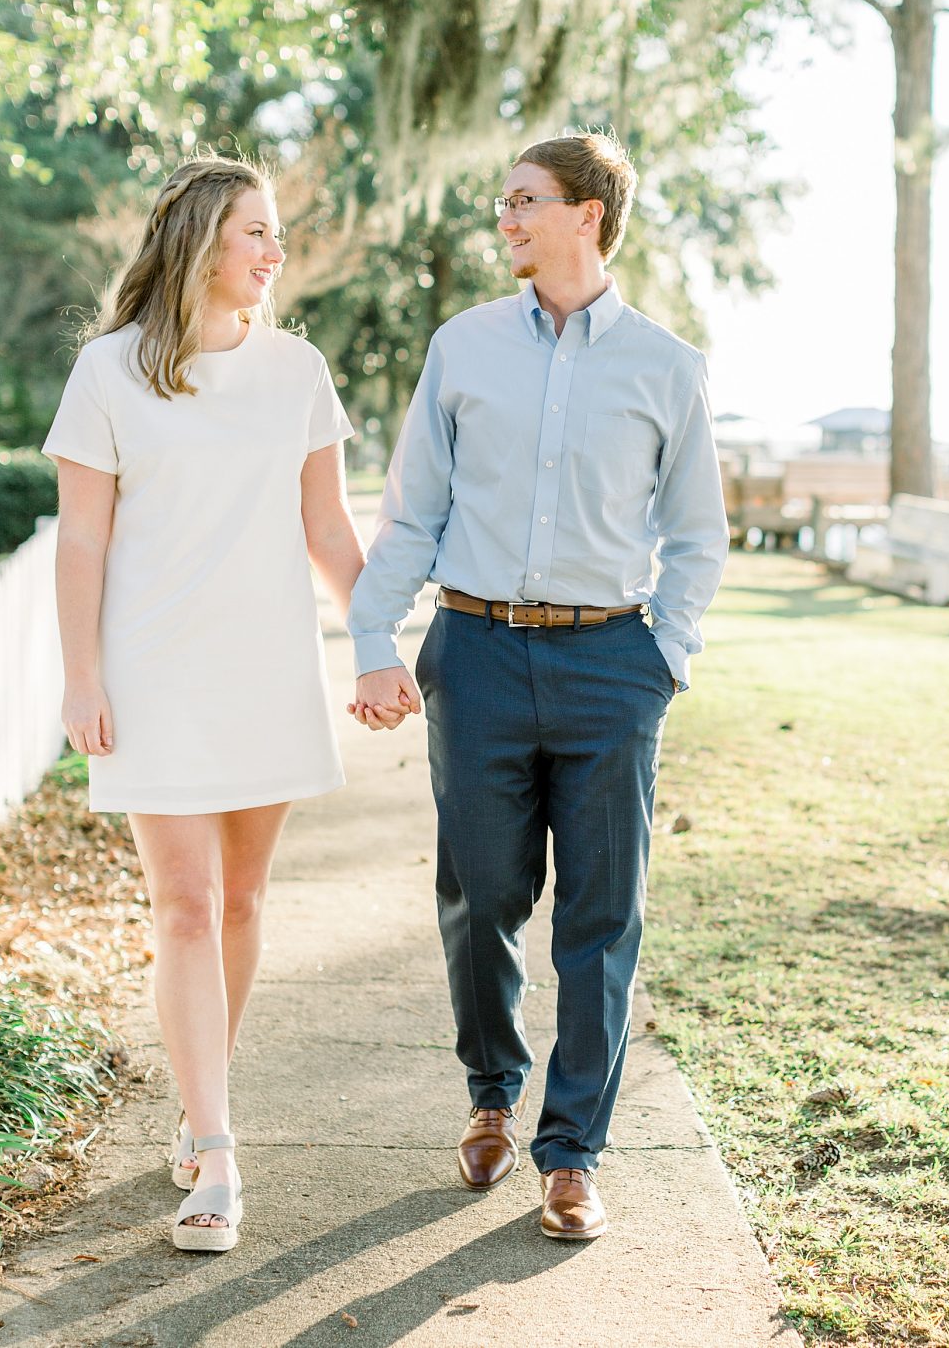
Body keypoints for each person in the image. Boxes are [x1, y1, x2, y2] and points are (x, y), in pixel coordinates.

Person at [347, 132, 727, 1240]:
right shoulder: (462, 348)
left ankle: (571, 1153)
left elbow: (696, 534)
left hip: (613, 662)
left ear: (587, 214)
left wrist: (666, 654)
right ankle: (489, 1091)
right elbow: (412, 508)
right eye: (501, 202)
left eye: (524, 201)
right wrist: (376, 632)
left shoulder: (666, 365)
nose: (504, 220)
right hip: (474, 651)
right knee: (481, 901)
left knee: (602, 918)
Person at [46, 154, 364, 1253]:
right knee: (182, 903)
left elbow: (328, 532)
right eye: (258, 233)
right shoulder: (106, 373)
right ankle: (218, 1151)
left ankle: (198, 1107)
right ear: (198, 243)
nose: (275, 253)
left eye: (275, 234)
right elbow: (80, 536)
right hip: (152, 674)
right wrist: (81, 674)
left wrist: (377, 647)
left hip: (267, 669)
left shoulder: (298, 371)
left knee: (238, 905)